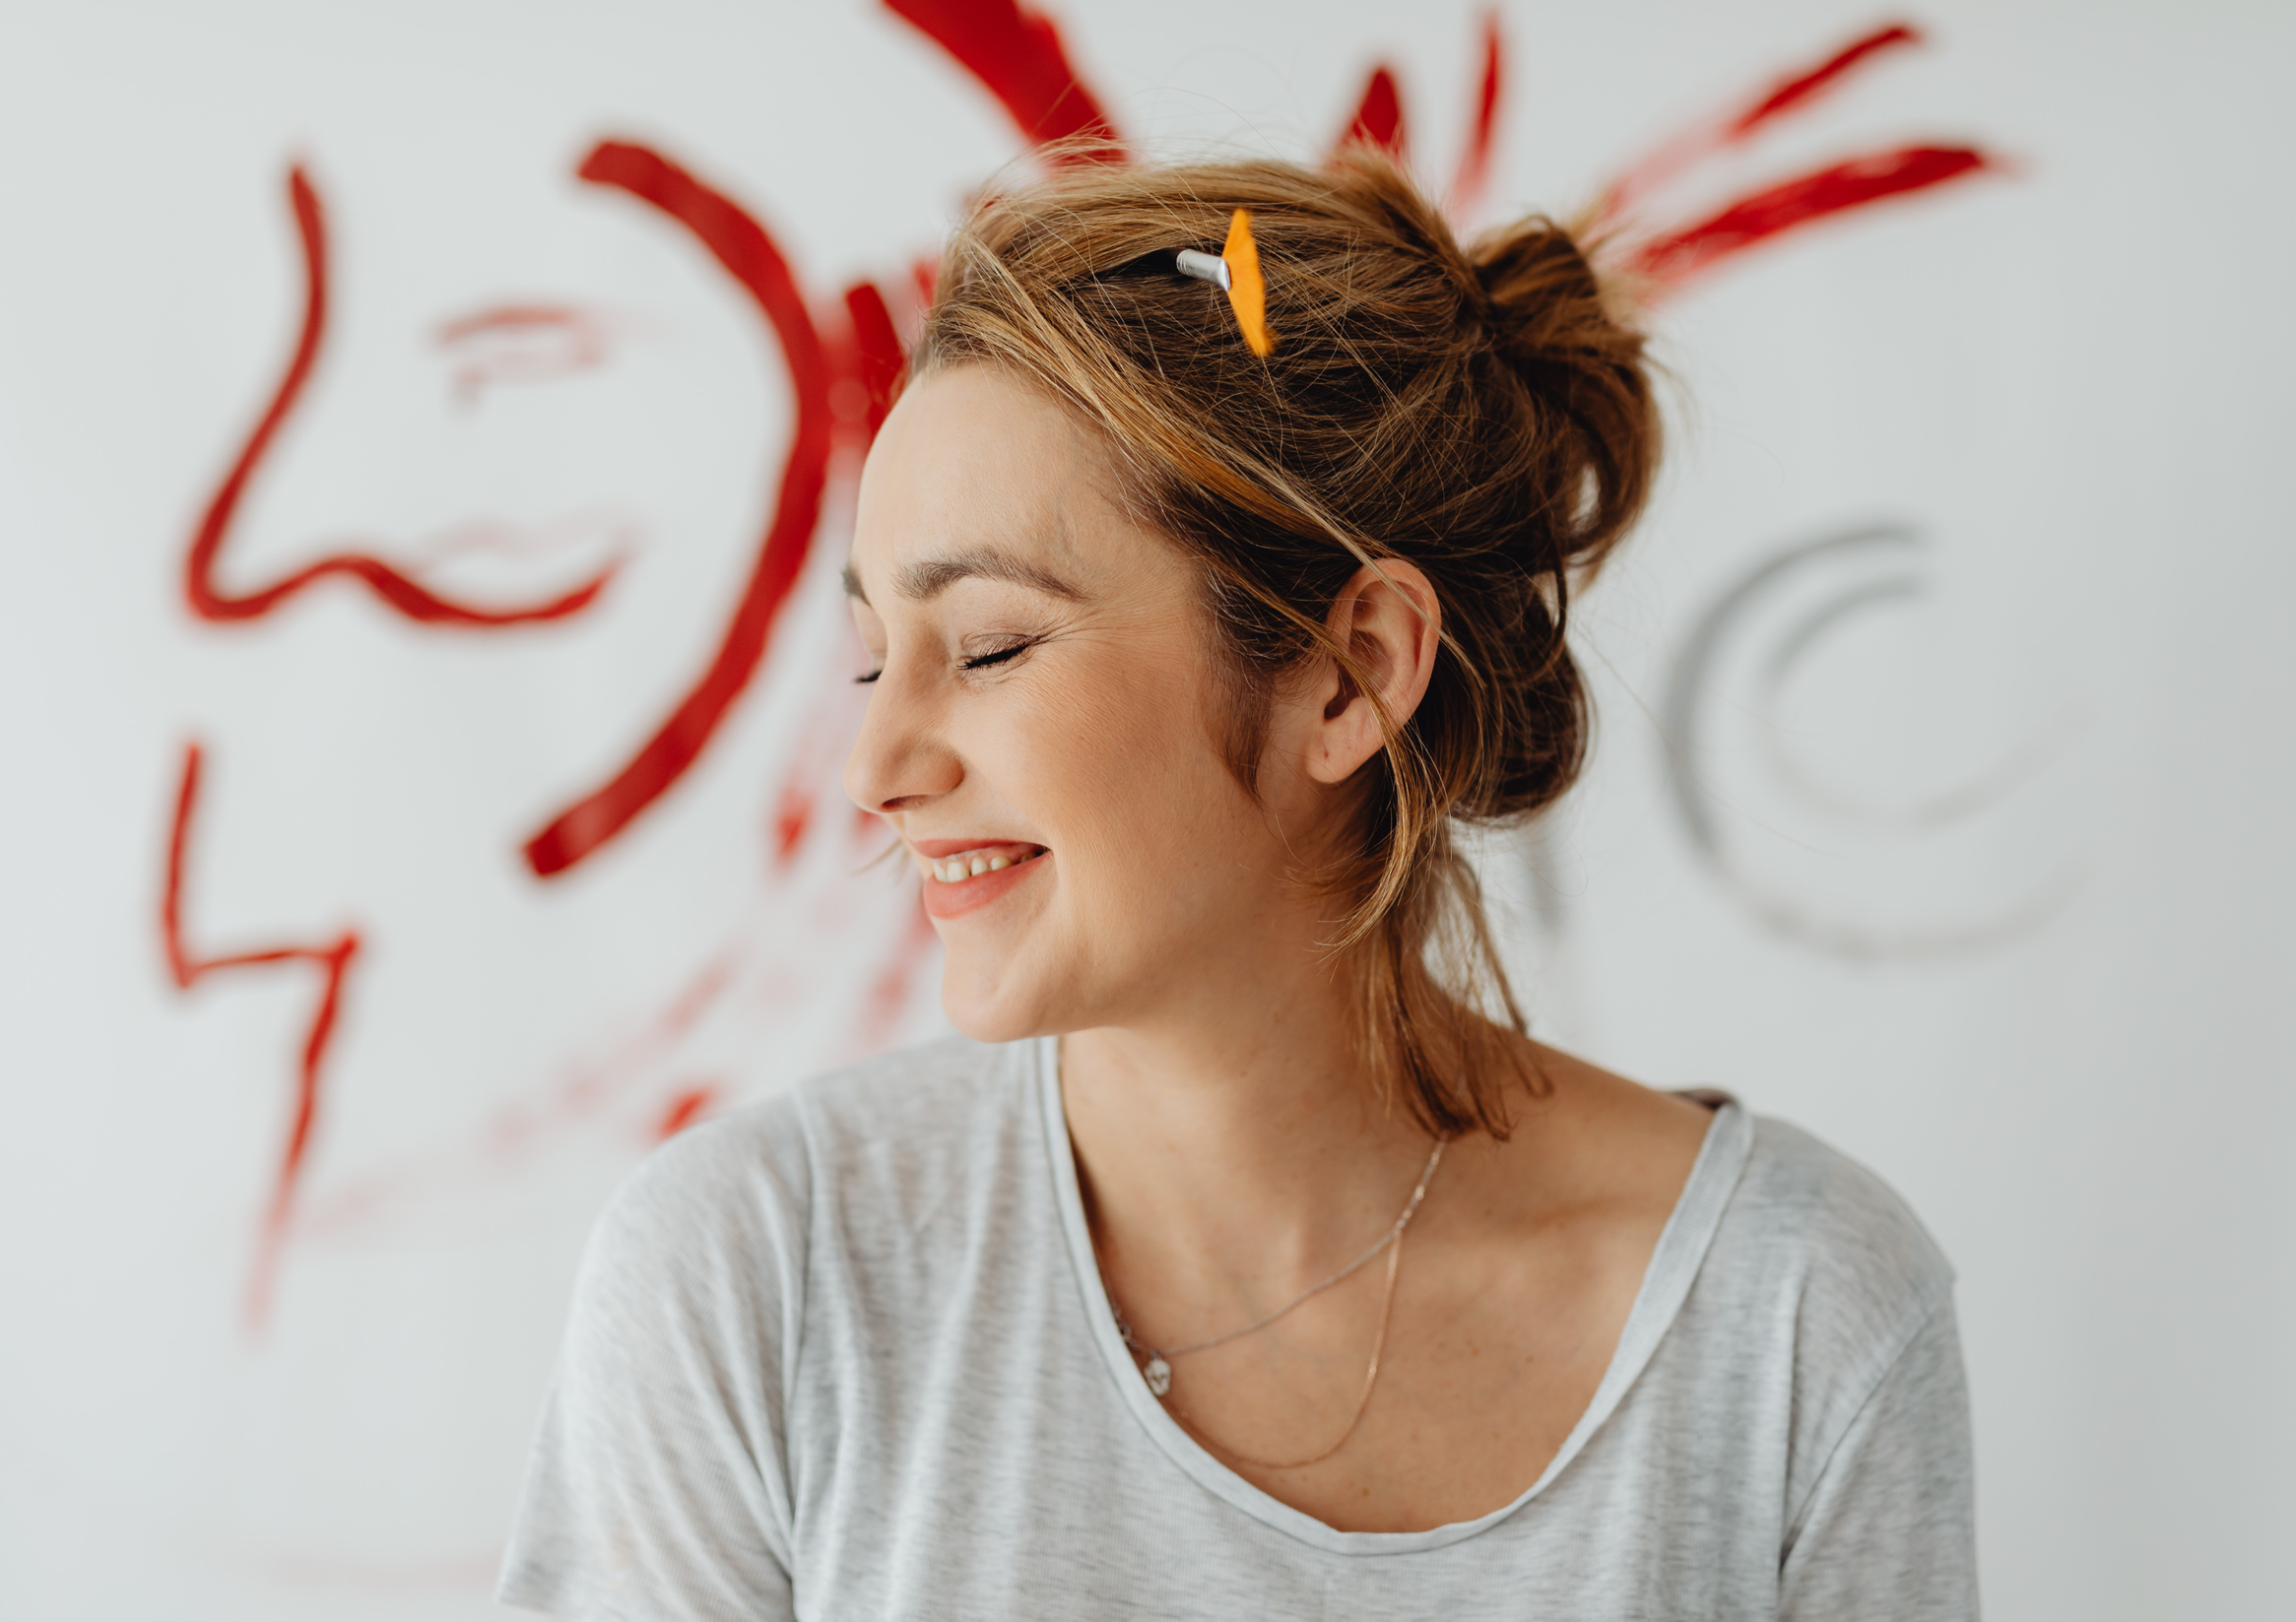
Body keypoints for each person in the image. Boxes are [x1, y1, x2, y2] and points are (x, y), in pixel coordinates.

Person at [496, 152, 1977, 1620]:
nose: (872, 766)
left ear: (1349, 671)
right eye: (877, 655)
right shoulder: (754, 1277)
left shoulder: (1793, 1320)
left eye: (990, 646)